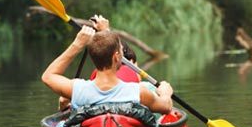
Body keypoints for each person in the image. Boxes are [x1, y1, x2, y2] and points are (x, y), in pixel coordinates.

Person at [43, 17, 173, 114]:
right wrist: (165, 92)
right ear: (116, 57)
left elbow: (48, 76)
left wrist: (77, 44)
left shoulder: (78, 89)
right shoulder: (138, 92)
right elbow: (166, 107)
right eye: (121, 51)